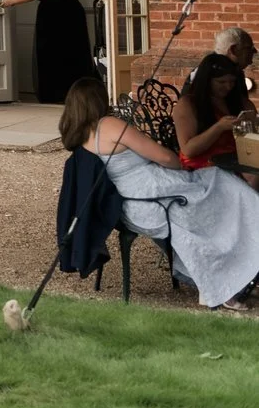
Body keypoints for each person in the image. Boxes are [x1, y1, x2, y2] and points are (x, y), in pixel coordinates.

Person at [63, 73, 259, 309]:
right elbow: (164, 157)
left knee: (216, 187)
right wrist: (180, 165)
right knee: (223, 185)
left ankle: (235, 272)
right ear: (98, 100)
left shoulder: (79, 135)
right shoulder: (110, 125)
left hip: (130, 204)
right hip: (155, 197)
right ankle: (229, 276)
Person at [171, 54, 259, 188]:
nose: (228, 86)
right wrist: (219, 127)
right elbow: (189, 150)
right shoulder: (188, 104)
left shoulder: (240, 102)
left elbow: (252, 143)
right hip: (203, 165)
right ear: (207, 81)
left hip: (236, 159)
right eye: (221, 82)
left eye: (232, 82)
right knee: (254, 174)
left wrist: (250, 126)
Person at [11, 0, 92, 105]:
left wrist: (16, 0)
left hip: (66, 11)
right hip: (48, 12)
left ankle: (76, 94)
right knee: (47, 54)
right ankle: (53, 94)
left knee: (71, 53)